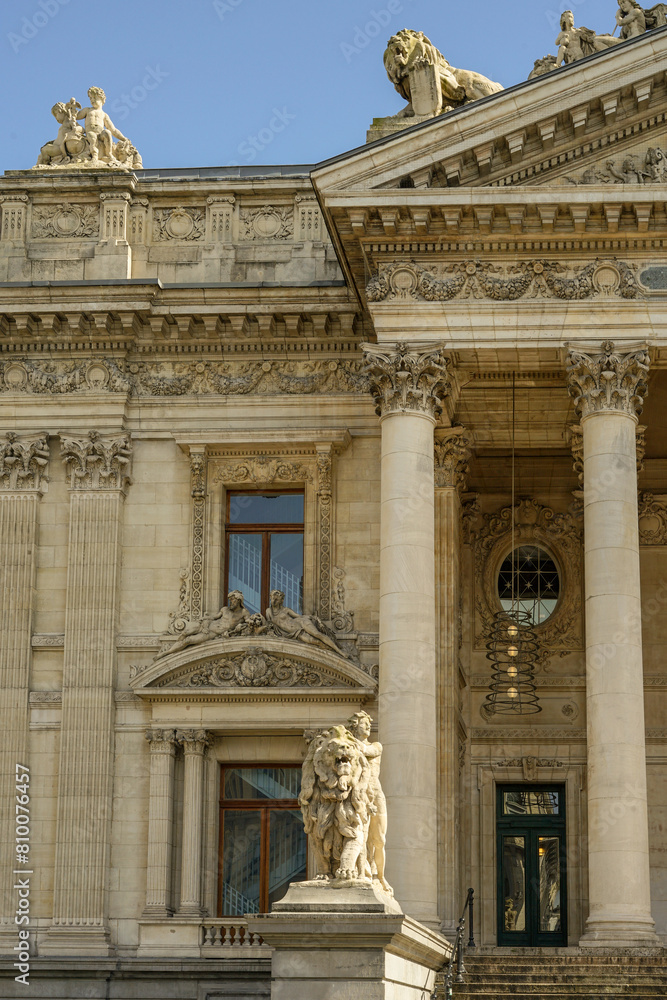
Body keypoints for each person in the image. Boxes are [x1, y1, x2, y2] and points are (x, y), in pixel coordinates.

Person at [347, 712, 392, 894]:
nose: (367, 727)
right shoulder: (349, 746)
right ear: (355, 726)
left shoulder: (375, 746)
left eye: (368, 724)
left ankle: (379, 876)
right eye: (363, 724)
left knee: (379, 839)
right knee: (361, 837)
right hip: (359, 794)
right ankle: (362, 872)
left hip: (376, 793)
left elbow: (366, 752)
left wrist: (346, 740)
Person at [162, 590, 250, 657]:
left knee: (188, 640)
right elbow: (214, 617)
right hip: (207, 626)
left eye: (233, 600)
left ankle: (167, 653)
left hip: (212, 633)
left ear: (238, 600)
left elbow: (249, 623)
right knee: (185, 632)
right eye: (230, 600)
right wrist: (205, 621)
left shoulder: (243, 612)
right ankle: (169, 650)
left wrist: (240, 626)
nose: (231, 602)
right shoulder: (225, 609)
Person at [265, 589, 342, 655]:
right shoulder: (269, 611)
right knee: (316, 642)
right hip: (295, 633)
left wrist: (313, 618)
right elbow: (270, 624)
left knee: (317, 634)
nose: (274, 601)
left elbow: (298, 616)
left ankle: (339, 651)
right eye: (272, 599)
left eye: (276, 599)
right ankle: (330, 651)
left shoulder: (285, 610)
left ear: (281, 601)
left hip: (301, 623)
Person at [76, 87, 130, 163]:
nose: (92, 100)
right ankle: (95, 156)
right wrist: (71, 110)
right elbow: (76, 116)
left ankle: (109, 154)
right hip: (90, 132)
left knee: (107, 132)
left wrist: (123, 138)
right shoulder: (87, 110)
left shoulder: (104, 115)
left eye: (95, 98)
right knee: (92, 136)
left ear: (102, 99)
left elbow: (113, 130)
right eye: (91, 98)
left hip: (100, 134)